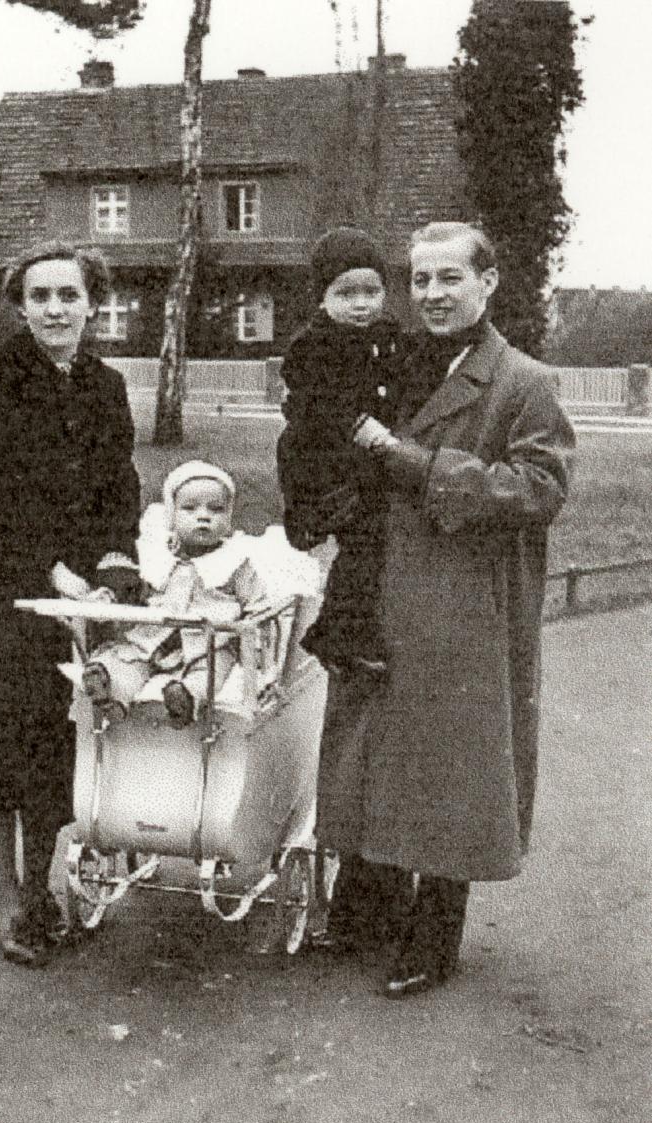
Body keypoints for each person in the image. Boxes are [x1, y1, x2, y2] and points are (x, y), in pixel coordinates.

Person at [287, 220, 576, 995]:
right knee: (371, 751)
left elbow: (539, 489)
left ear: (487, 283)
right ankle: (363, 913)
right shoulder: (394, 360)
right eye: (420, 279)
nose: (433, 294)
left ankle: (432, 937)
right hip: (381, 589)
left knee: (453, 763)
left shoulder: (521, 380)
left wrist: (414, 464)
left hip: (463, 604)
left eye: (450, 278)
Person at [0, 241, 141, 966]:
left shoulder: (105, 384)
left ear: (90, 303)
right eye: (39, 296)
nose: (54, 308)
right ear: (20, 305)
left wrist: (114, 557)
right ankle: (6, 897)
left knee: (49, 748)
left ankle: (39, 888)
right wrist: (51, 569)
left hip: (73, 600)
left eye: (67, 295)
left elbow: (118, 486)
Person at [277, 226, 404, 668]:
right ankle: (337, 634)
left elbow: (402, 377)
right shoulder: (314, 343)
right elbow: (316, 399)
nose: (361, 303)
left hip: (360, 463)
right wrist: (361, 423)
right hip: (320, 459)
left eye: (372, 291)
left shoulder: (387, 336)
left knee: (369, 546)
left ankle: (339, 633)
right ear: (323, 297)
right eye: (346, 293)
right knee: (361, 542)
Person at [80, 460, 271, 728]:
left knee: (210, 674)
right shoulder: (156, 557)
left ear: (229, 518)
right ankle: (111, 692)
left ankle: (185, 698)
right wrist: (111, 595)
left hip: (208, 645)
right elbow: (137, 592)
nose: (203, 516)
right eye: (190, 509)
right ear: (172, 517)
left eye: (216, 509)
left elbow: (258, 605)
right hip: (153, 639)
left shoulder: (237, 562)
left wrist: (256, 643)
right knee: (126, 658)